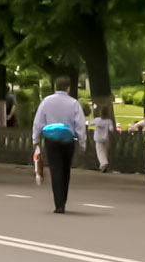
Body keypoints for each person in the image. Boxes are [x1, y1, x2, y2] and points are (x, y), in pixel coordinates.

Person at [31, 76, 87, 213]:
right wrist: (82, 142)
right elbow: (80, 124)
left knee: (55, 169)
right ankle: (63, 200)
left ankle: (59, 204)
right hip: (68, 141)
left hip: (51, 140)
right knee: (66, 170)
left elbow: (38, 122)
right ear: (68, 88)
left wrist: (35, 139)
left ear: (56, 87)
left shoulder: (46, 102)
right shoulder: (74, 103)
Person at [90, 105, 115, 172]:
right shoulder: (109, 121)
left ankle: (104, 163)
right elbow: (111, 129)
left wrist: (91, 119)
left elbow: (90, 123)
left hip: (98, 138)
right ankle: (102, 166)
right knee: (104, 152)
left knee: (100, 152)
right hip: (105, 138)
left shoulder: (97, 120)